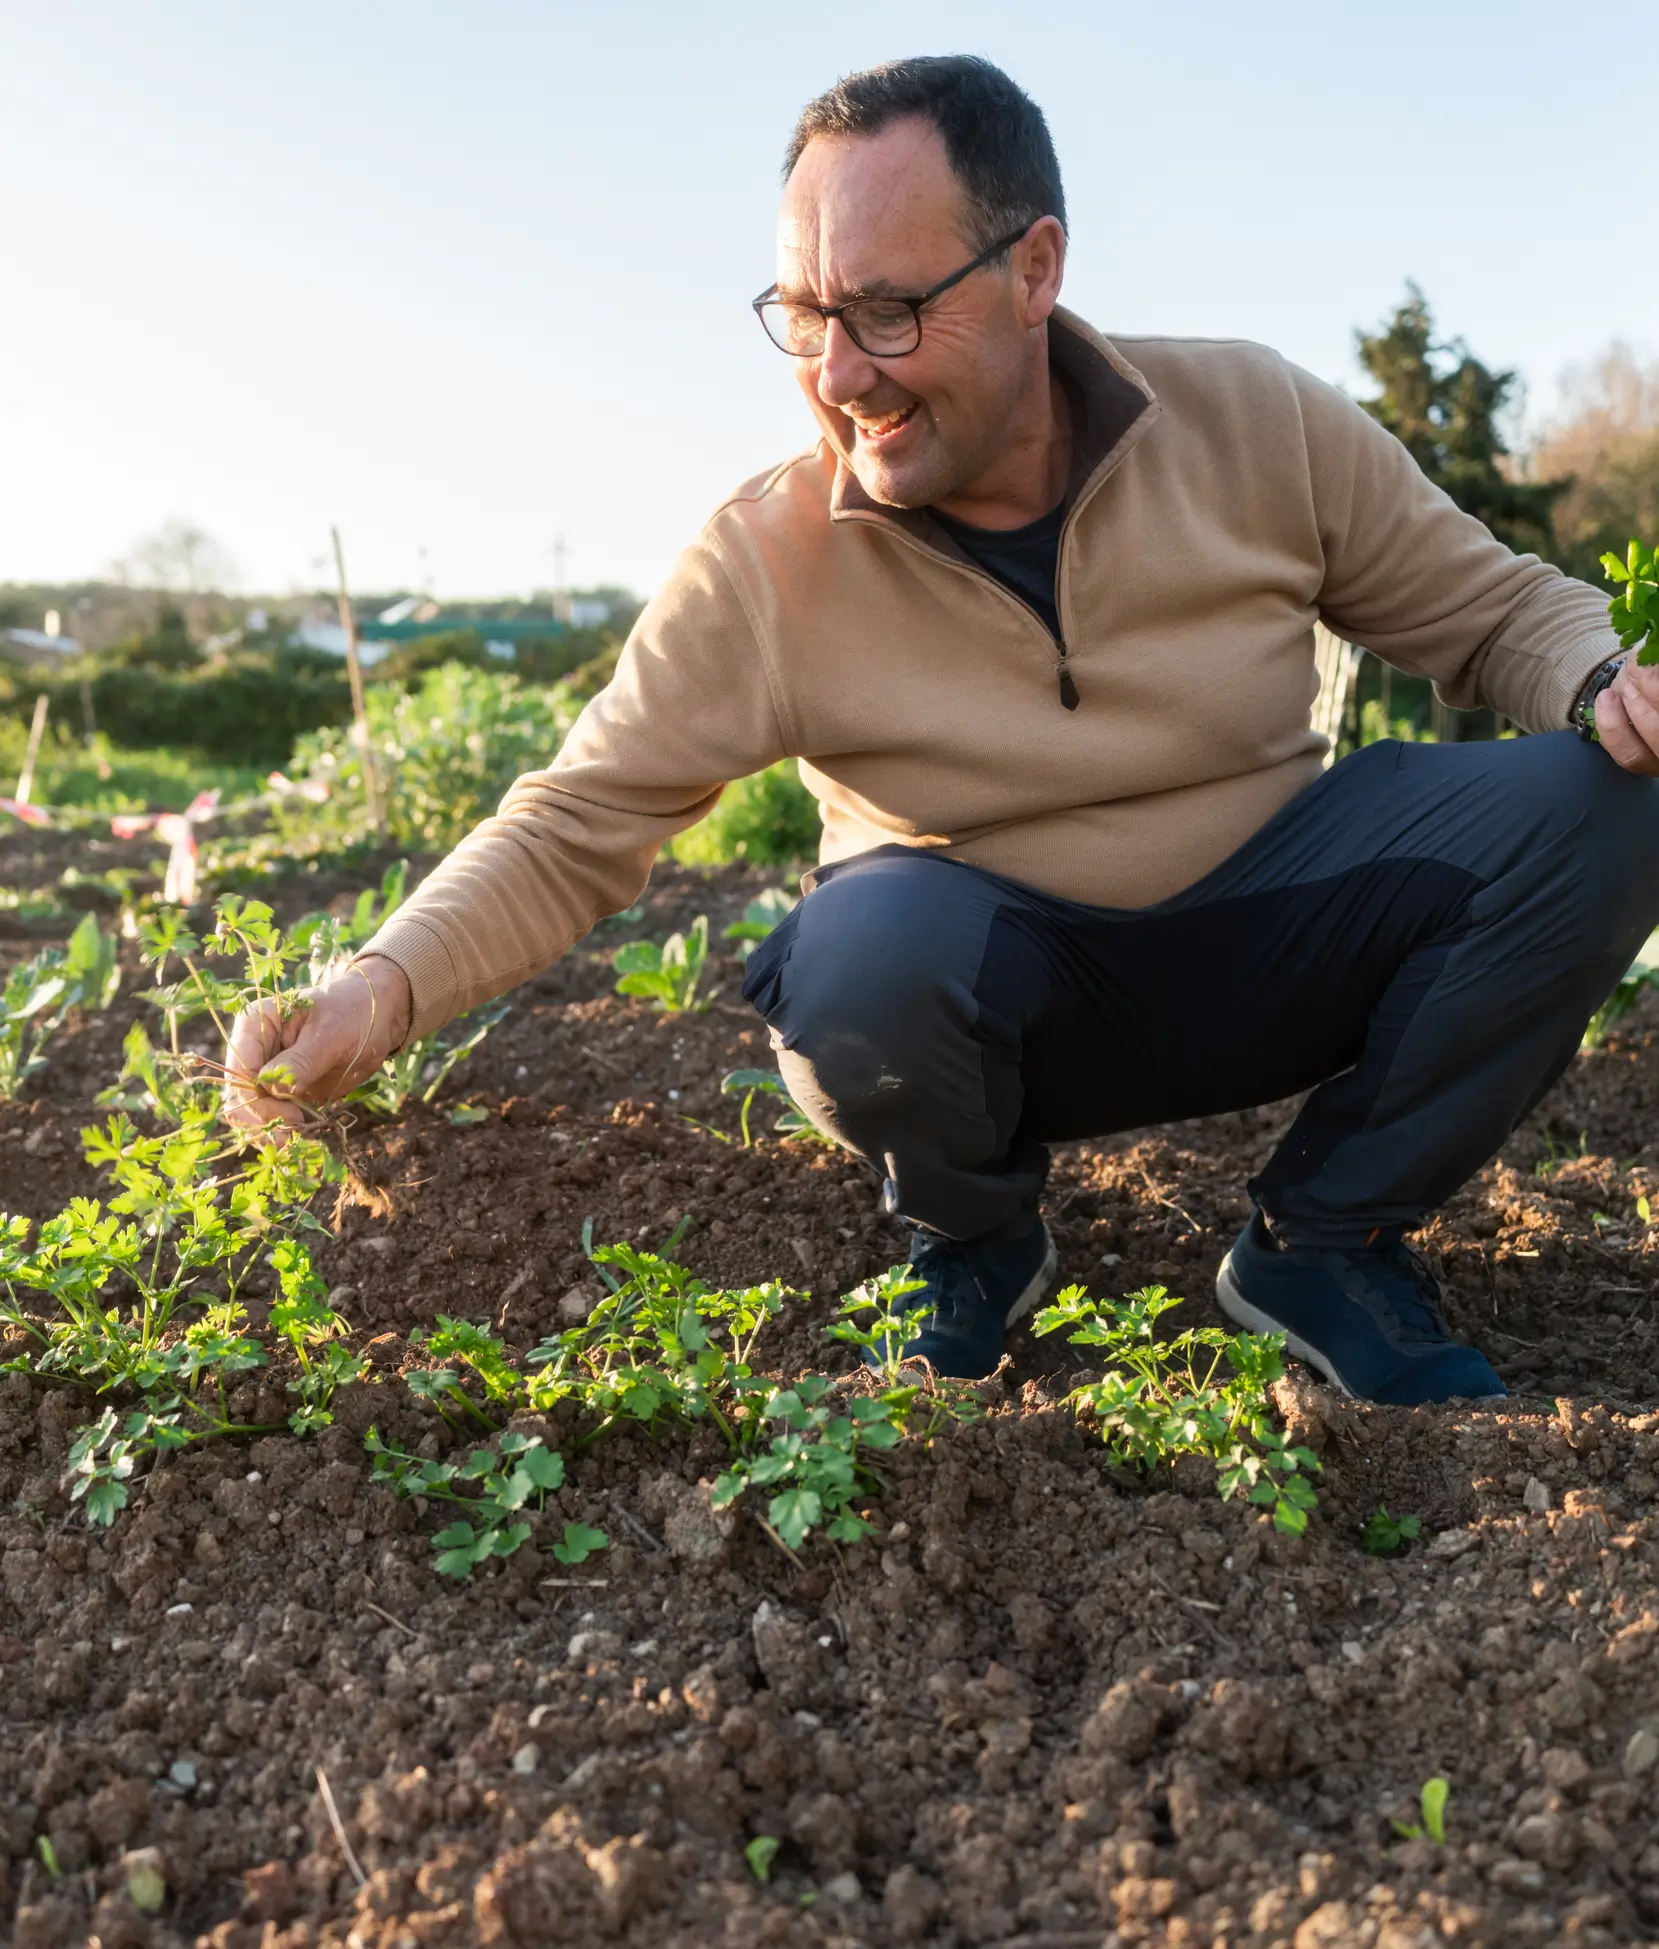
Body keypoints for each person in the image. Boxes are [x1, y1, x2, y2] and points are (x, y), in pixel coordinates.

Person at [228, 55, 1659, 1406]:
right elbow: (574, 818)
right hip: (991, 1009)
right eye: (803, 314)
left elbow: (1494, 614)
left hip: (1275, 937)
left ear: (1034, 267)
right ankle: (974, 1239)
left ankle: (1325, 1249)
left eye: (887, 312)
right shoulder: (768, 560)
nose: (840, 372)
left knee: (1610, 798)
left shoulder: (1251, 423)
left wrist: (1607, 683)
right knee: (860, 952)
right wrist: (381, 988)